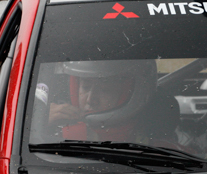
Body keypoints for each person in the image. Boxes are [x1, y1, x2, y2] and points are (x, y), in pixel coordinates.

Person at [33, 59, 178, 145]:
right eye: (85, 87)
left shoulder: (161, 151)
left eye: (105, 90)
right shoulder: (50, 135)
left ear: (131, 93)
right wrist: (37, 123)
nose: (90, 100)